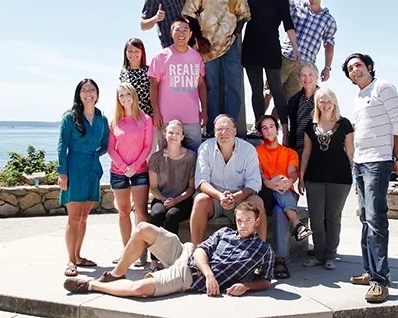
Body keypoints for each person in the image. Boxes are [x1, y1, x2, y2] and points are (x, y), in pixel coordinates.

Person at [64, 202, 275, 299]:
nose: (243, 224)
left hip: (190, 276)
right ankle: (115, 275)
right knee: (143, 228)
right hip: (187, 255)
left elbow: (266, 280)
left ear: (257, 222)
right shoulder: (225, 233)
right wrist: (210, 274)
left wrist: (246, 286)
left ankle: (90, 286)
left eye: (248, 220)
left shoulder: (263, 250)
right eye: (239, 220)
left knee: (139, 290)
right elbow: (201, 251)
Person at [341, 53, 398, 303]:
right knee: (365, 219)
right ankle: (369, 272)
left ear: (369, 67)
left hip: (378, 162)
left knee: (376, 219)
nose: (355, 70)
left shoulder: (383, 87)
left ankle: (381, 280)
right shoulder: (359, 96)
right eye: (350, 68)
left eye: (358, 65)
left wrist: (395, 157)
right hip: (361, 163)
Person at [182, 0, 251, 135]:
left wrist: (235, 34)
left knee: (233, 87)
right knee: (212, 89)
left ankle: (232, 129)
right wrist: (199, 37)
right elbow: (189, 13)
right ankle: (213, 130)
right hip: (207, 47)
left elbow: (244, 15)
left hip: (230, 47)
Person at [242, 0, 298, 144]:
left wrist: (295, 48)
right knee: (256, 90)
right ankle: (260, 129)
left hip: (271, 48)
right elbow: (245, 14)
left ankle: (285, 130)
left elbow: (288, 24)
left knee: (276, 90)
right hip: (251, 46)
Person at [57, 78, 109, 277]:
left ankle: (79, 256)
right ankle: (70, 260)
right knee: (74, 217)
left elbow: (106, 143)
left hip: (92, 168)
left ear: (97, 94)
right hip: (74, 167)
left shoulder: (101, 119)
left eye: (92, 90)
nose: (89, 93)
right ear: (79, 94)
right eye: (85, 90)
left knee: (84, 217)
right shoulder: (69, 118)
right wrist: (62, 172)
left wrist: (95, 154)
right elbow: (62, 146)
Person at [299, 88, 354, 271]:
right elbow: (306, 153)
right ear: (317, 104)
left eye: (329, 100)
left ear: (335, 102)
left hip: (340, 178)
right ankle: (319, 255)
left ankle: (331, 254)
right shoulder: (310, 125)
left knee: (333, 216)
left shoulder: (344, 124)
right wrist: (301, 177)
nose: (325, 104)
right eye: (321, 101)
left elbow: (351, 152)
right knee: (316, 217)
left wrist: (357, 175)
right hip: (314, 177)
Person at [190, 114, 266, 244]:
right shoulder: (205, 148)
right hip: (213, 198)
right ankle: (195, 251)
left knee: (256, 201)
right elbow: (201, 181)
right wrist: (220, 196)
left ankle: (260, 251)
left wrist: (235, 197)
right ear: (214, 132)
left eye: (227, 129)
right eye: (219, 129)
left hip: (239, 198)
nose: (223, 133)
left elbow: (254, 183)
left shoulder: (248, 149)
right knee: (200, 199)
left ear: (235, 131)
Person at [255, 115, 311, 280]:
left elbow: (293, 172)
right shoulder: (256, 151)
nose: (269, 130)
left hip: (286, 192)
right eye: (264, 128)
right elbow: (257, 174)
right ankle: (297, 224)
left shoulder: (289, 152)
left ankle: (279, 259)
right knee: (279, 196)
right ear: (260, 132)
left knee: (280, 210)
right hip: (267, 193)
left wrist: (288, 181)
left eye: (271, 126)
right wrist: (269, 183)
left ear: (277, 129)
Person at [107, 83, 154, 266]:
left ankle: (142, 251)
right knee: (123, 212)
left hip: (139, 172)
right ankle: (127, 251)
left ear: (134, 96)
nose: (125, 98)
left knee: (142, 213)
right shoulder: (114, 122)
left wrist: (134, 166)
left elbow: (147, 146)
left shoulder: (145, 120)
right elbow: (110, 148)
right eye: (121, 95)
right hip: (118, 173)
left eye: (128, 94)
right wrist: (123, 166)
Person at [148, 18, 207, 152]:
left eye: (185, 30)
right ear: (171, 33)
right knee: (166, 158)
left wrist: (204, 111)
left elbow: (201, 85)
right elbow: (153, 85)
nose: (181, 34)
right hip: (166, 119)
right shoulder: (161, 57)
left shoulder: (196, 57)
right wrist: (156, 112)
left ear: (191, 34)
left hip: (192, 119)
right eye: (177, 30)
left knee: (194, 158)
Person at [147, 120, 196, 272]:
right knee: (157, 214)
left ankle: (170, 260)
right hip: (162, 197)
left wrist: (176, 200)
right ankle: (154, 261)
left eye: (177, 133)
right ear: (164, 134)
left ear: (182, 136)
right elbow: (153, 187)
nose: (174, 136)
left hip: (183, 199)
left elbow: (191, 188)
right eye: (170, 133)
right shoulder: (156, 158)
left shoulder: (191, 157)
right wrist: (163, 199)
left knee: (172, 215)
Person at [279, 0, 337, 98]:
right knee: (269, 92)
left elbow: (329, 44)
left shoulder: (328, 20)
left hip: (304, 65)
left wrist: (327, 67)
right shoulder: (296, 6)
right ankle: (260, 117)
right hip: (285, 57)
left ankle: (275, 118)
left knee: (288, 101)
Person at [287, 62, 320, 158]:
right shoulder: (294, 100)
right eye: (303, 75)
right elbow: (292, 126)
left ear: (316, 76)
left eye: (310, 74)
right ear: (299, 78)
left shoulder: (325, 97)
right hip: (298, 150)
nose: (307, 78)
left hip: (318, 149)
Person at [119, 38, 152, 117]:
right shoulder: (123, 73)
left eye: (136, 51)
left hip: (148, 116)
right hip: (130, 117)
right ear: (126, 53)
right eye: (130, 51)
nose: (133, 54)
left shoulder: (150, 71)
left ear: (142, 53)